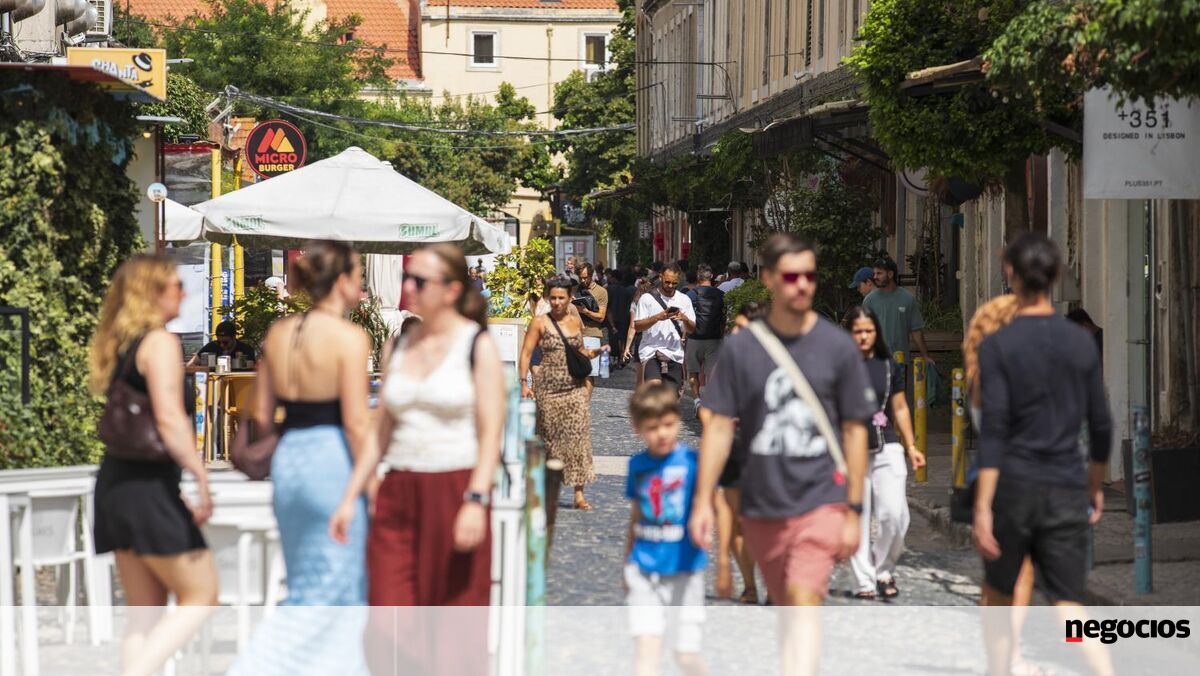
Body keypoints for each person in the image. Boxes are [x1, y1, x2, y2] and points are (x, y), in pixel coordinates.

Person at [690, 233, 873, 675]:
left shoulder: (837, 347)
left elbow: (854, 430)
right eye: (792, 276)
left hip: (820, 499)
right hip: (762, 504)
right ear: (769, 278)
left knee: (803, 601)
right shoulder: (742, 349)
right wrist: (703, 500)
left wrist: (853, 508)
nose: (803, 284)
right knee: (784, 604)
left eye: (810, 275)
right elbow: (718, 427)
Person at [230, 242, 375, 674]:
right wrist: (370, 483)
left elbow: (261, 414)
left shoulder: (279, 333)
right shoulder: (350, 338)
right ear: (342, 281)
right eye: (358, 274)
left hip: (290, 460)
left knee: (305, 582)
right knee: (338, 589)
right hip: (332, 461)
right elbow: (356, 422)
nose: (362, 283)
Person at [973, 233, 1113, 676]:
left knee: (999, 596)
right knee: (1068, 605)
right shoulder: (1080, 342)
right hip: (1065, 486)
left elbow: (994, 429)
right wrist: (1094, 486)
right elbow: (1101, 424)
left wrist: (982, 505)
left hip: (1013, 488)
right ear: (1056, 275)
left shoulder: (997, 346)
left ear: (1010, 273)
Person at [364, 243, 506, 674]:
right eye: (407, 277)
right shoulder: (398, 345)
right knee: (388, 621)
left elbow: (491, 431)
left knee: (452, 627)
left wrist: (477, 498)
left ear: (451, 289)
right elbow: (381, 428)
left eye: (419, 280)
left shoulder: (476, 344)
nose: (408, 286)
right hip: (399, 486)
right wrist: (359, 488)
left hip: (454, 483)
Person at [89, 255, 217, 676]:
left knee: (144, 615)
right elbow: (169, 418)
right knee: (202, 594)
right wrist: (200, 474)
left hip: (117, 485)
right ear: (153, 292)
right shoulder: (160, 342)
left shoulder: (123, 345)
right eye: (176, 285)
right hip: (147, 489)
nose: (184, 291)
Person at [624, 382, 709, 676]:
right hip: (644, 568)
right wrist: (627, 561)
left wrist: (722, 560)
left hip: (684, 568)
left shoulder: (692, 463)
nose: (662, 433)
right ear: (638, 428)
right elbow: (635, 516)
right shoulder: (638, 465)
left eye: (669, 425)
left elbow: (711, 506)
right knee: (646, 653)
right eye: (652, 428)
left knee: (685, 656)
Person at [842, 306, 925, 600]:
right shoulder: (839, 366)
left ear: (876, 333)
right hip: (850, 450)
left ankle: (883, 567)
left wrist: (912, 446)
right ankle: (864, 580)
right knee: (857, 516)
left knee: (895, 515)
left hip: (886, 442)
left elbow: (900, 407)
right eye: (857, 332)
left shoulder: (888, 365)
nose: (864, 337)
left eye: (869, 331)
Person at [519, 276, 609, 511]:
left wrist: (596, 352)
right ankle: (547, 489)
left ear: (569, 298)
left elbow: (580, 351)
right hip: (548, 388)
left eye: (561, 298)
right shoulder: (540, 322)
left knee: (578, 439)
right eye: (553, 298)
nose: (557, 302)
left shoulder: (575, 322)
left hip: (574, 387)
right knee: (550, 440)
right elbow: (526, 353)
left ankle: (579, 494)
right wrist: (524, 383)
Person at [711, 301, 767, 606]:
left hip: (769, 452)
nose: (735, 333)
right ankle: (750, 585)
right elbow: (710, 406)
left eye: (742, 328)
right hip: (733, 447)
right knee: (737, 523)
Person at [863, 257, 934, 368]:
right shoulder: (869, 300)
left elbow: (916, 331)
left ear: (890, 274)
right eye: (874, 273)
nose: (875, 277)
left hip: (901, 362)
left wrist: (925, 356)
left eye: (879, 273)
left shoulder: (908, 299)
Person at [633, 265, 696, 387]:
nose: (670, 286)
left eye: (674, 283)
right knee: (654, 387)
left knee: (671, 396)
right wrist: (657, 317)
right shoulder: (647, 298)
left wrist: (685, 319)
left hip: (675, 353)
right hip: (651, 351)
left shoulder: (684, 299)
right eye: (667, 282)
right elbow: (638, 326)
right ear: (661, 277)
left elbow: (692, 329)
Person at [684, 264, 725, 412]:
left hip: (694, 338)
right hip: (714, 339)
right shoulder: (721, 294)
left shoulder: (691, 295)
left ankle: (697, 401)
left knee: (693, 372)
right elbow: (724, 317)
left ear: (698, 277)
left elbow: (685, 318)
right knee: (712, 373)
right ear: (712, 276)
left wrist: (684, 336)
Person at [576, 262, 609, 392]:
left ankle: (585, 402)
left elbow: (601, 317)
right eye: (580, 278)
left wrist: (585, 311)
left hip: (592, 334)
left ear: (591, 275)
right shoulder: (575, 289)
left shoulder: (601, 292)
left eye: (585, 277)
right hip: (575, 334)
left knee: (589, 373)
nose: (583, 281)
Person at [187, 320, 256, 367]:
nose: (221, 345)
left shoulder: (246, 350)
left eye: (225, 342)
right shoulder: (211, 347)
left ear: (234, 337)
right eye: (218, 342)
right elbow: (190, 365)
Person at [623, 277, 653, 385]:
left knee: (640, 379)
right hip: (655, 337)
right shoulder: (656, 301)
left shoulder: (635, 303)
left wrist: (627, 347)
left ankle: (641, 394)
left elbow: (632, 327)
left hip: (641, 339)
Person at [606, 268, 633, 368]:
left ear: (613, 278)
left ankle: (614, 359)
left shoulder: (609, 289)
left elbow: (607, 306)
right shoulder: (625, 290)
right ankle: (621, 358)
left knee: (613, 340)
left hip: (612, 318)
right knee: (622, 339)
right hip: (624, 317)